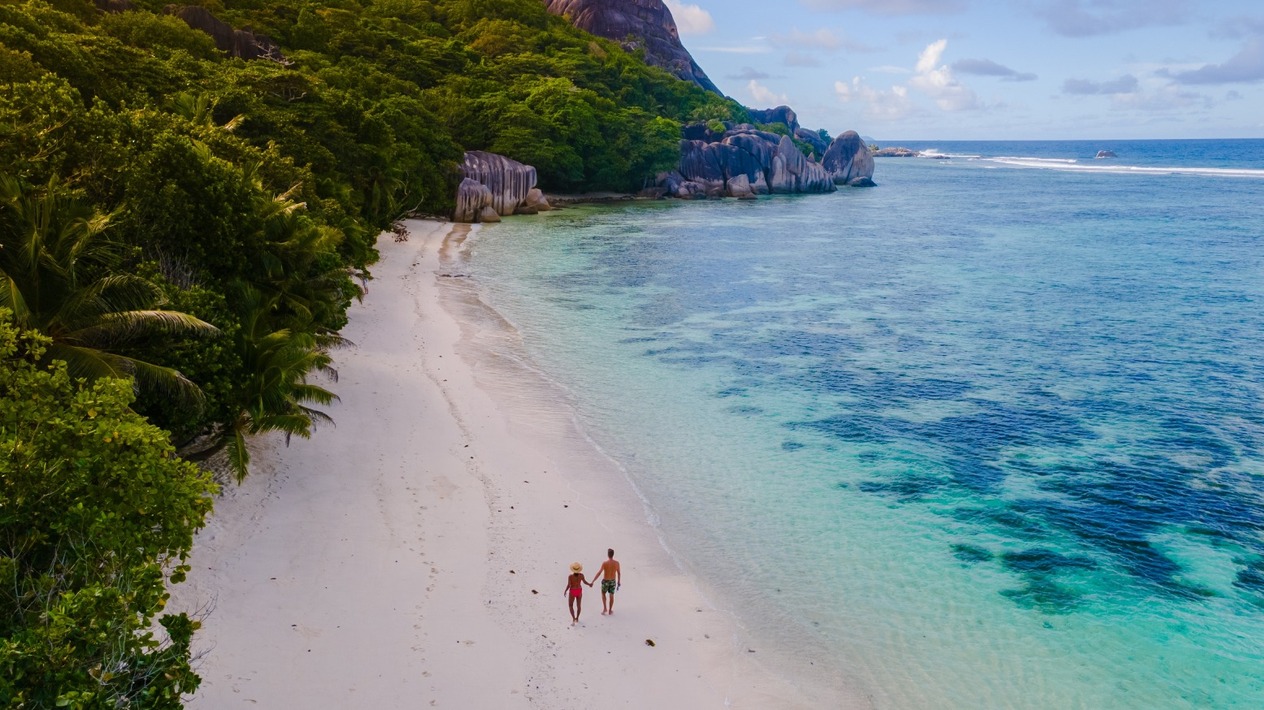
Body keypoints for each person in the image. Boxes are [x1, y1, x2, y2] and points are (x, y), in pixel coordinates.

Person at [596, 548, 621, 615]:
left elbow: (599, 572)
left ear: (608, 555)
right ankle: (610, 610)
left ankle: (605, 608)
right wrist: (619, 582)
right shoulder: (617, 563)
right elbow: (619, 573)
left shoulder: (605, 563)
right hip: (613, 581)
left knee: (603, 593)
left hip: (606, 581)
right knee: (611, 595)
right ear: (613, 554)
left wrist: (593, 581)